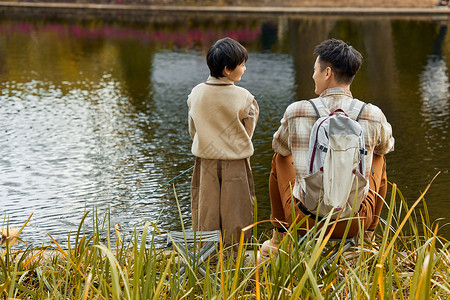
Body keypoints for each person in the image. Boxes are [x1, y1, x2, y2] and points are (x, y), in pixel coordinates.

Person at [262, 38, 394, 255]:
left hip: (305, 220)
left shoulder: (297, 110)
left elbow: (279, 147)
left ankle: (280, 238)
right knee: (379, 156)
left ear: (327, 72)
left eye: (315, 70)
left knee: (280, 158)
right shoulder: (372, 113)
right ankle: (367, 237)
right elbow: (386, 147)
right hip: (355, 220)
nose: (313, 75)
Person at [187, 37, 259, 248]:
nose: (245, 69)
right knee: (236, 211)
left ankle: (206, 255)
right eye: (242, 64)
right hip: (235, 162)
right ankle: (234, 257)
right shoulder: (244, 97)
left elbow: (193, 130)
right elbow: (248, 130)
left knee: (205, 211)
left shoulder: (195, 94)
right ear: (228, 69)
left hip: (205, 160)